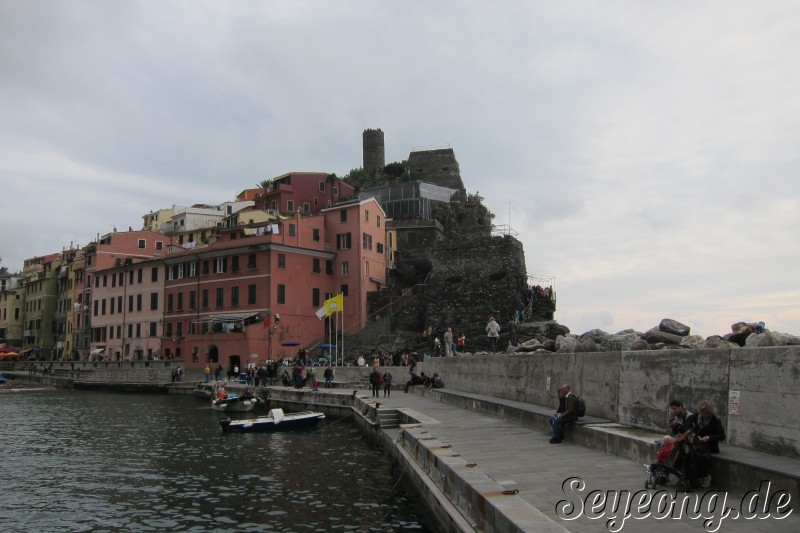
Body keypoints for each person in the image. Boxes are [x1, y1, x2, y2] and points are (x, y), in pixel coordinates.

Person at [686, 400, 726, 488]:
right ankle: (688, 474)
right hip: (696, 441)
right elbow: (688, 426)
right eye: (701, 413)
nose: (702, 415)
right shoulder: (696, 416)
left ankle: (700, 475)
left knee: (697, 452)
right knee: (687, 450)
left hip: (709, 445)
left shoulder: (715, 421)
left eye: (705, 414)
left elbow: (722, 436)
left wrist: (708, 438)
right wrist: (692, 433)